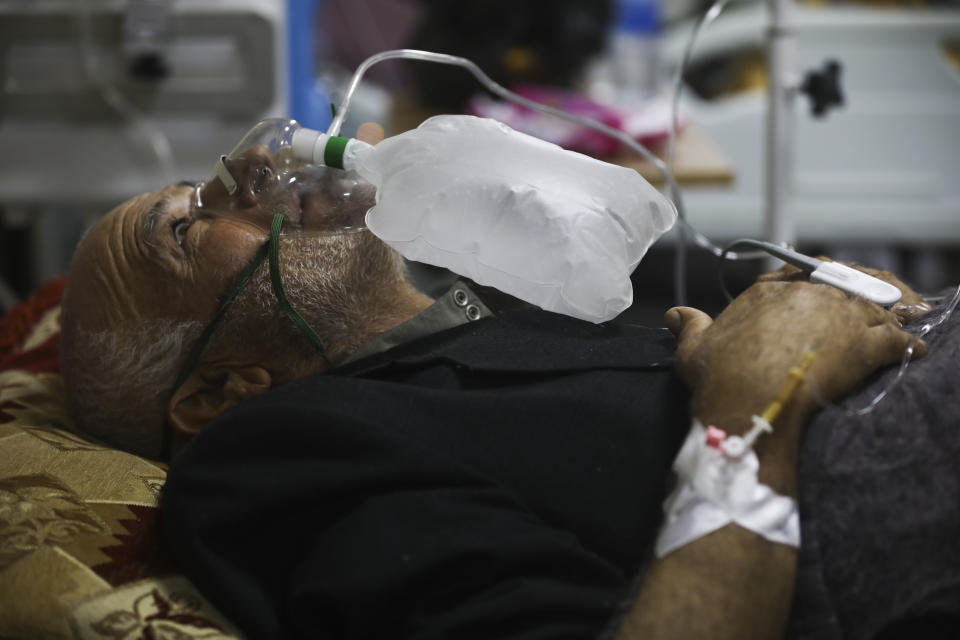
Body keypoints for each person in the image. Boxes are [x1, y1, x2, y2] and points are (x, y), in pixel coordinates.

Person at [59, 123, 930, 639]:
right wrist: (759, 407)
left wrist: (838, 307)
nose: (245, 169)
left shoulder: (488, 327)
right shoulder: (262, 463)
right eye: (185, 228)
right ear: (219, 392)